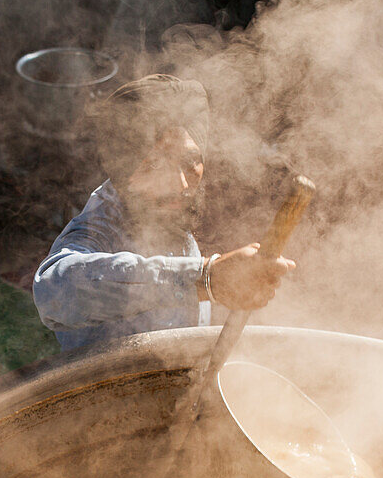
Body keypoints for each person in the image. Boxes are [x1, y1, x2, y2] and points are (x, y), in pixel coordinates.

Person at [32, 74, 295, 350]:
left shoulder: (168, 217)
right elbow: (53, 291)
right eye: (155, 166)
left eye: (191, 161)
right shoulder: (99, 226)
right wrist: (206, 278)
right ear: (122, 173)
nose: (180, 184)